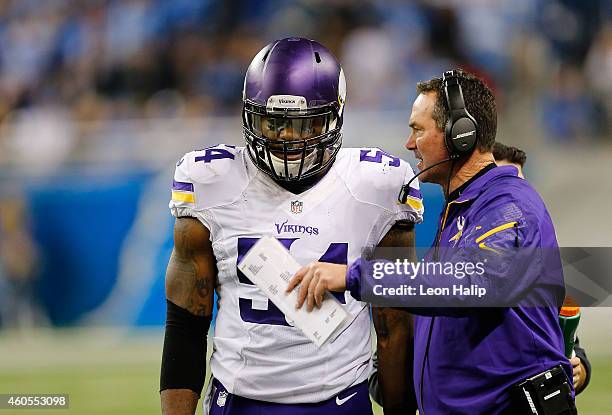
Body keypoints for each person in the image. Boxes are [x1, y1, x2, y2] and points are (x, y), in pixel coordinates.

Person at [159, 37, 424, 415]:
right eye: (274, 122)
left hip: (340, 398)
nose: (287, 137)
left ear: (335, 116)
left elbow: (395, 323)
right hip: (238, 399)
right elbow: (186, 324)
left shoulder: (375, 185)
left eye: (306, 123)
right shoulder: (211, 181)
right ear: (251, 116)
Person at [288, 70, 577, 414]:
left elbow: (471, 283)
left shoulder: (508, 206)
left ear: (461, 135)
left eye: (418, 129)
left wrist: (353, 276)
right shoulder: (460, 208)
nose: (410, 144)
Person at [367, 142, 591, 407]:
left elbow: (565, 343)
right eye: (501, 186)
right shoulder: (435, 280)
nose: (514, 200)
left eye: (520, 186)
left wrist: (579, 369)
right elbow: (384, 374)